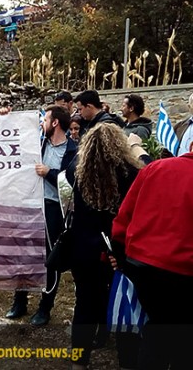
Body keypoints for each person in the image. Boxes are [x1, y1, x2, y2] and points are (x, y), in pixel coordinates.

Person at [66, 123, 146, 370]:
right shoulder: (129, 172)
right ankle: (127, 362)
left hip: (83, 249)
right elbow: (149, 170)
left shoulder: (77, 171)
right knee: (124, 308)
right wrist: (137, 149)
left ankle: (79, 361)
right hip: (118, 249)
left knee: (85, 305)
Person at [112, 140, 193, 369]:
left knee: (159, 328)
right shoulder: (156, 168)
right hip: (182, 272)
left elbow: (121, 221)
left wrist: (120, 256)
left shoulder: (155, 168)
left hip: (143, 266)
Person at [6, 106, 77, 325]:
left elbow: (71, 183)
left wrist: (49, 174)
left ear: (55, 123)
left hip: (54, 210)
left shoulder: (73, 151)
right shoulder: (39, 142)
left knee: (50, 259)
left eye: (45, 119)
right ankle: (19, 302)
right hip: (30, 207)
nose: (42, 123)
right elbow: (13, 137)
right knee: (23, 256)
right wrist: (5, 117)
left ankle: (45, 307)